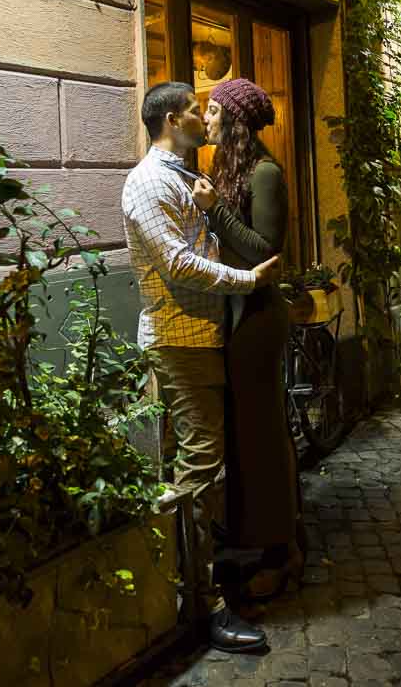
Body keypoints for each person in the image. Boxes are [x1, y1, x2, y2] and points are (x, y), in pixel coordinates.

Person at [122, 81, 279, 653]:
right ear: (170, 120)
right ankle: (203, 606)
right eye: (194, 110)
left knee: (199, 464)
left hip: (203, 336)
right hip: (180, 339)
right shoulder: (147, 183)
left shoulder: (184, 177)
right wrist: (250, 279)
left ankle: (194, 580)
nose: (201, 118)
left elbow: (203, 243)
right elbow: (180, 264)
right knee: (201, 468)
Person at [192, 78, 304, 602]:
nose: (206, 118)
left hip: (259, 320)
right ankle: (258, 540)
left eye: (213, 111)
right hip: (235, 314)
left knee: (260, 438)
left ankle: (280, 554)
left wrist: (216, 211)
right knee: (247, 436)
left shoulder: (265, 173)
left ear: (234, 120)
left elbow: (265, 250)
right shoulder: (229, 170)